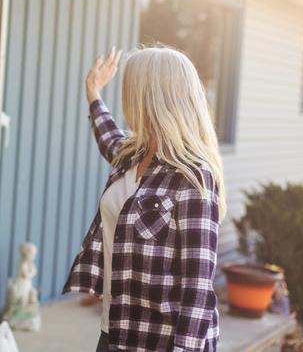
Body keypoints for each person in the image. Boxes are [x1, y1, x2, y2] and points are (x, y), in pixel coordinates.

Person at [64, 46, 226, 351]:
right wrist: (93, 92)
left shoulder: (192, 174)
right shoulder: (134, 153)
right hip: (115, 329)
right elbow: (108, 137)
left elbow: (198, 286)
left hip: (159, 342)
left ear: (150, 95)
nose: (126, 96)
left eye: (130, 87)